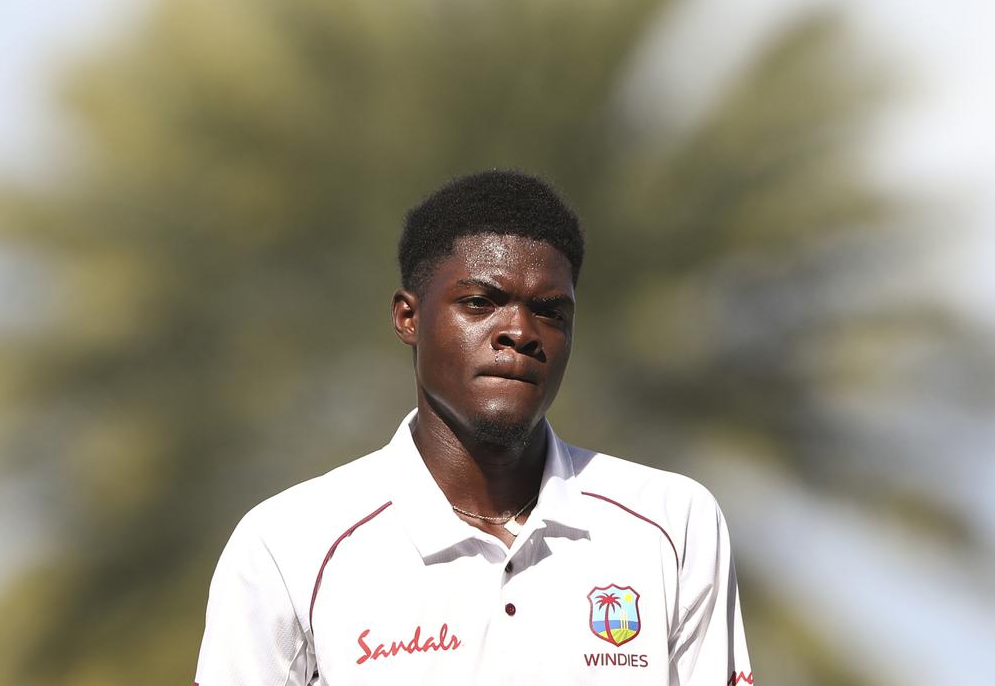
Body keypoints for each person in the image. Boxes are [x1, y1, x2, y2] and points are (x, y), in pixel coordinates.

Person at [193, 170, 752, 685]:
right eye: (481, 302)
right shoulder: (290, 545)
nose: (520, 331)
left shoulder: (671, 525)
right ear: (408, 317)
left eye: (550, 312)